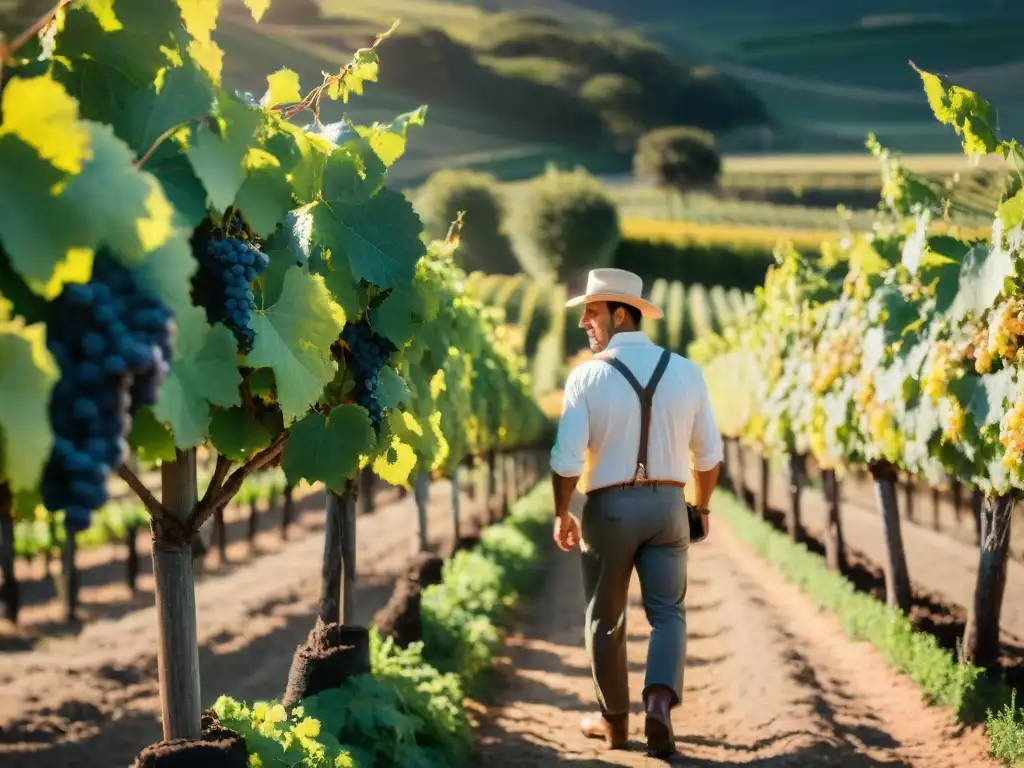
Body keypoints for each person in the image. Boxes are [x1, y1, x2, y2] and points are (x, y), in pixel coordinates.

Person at [548, 267, 723, 758]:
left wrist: (562, 511)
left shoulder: (586, 377)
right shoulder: (687, 372)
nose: (584, 321)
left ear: (620, 314)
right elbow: (708, 456)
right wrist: (701, 507)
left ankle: (614, 726)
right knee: (669, 614)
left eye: (592, 311)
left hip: (608, 511)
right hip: (669, 507)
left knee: (605, 618)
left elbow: (566, 458)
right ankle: (660, 706)